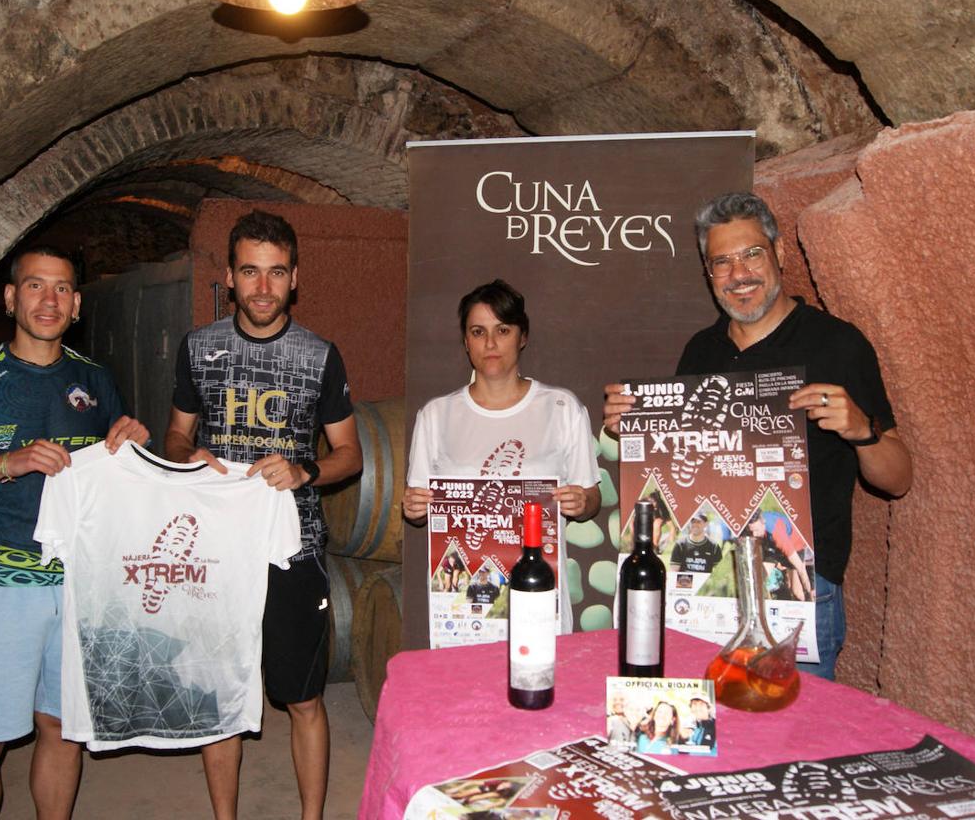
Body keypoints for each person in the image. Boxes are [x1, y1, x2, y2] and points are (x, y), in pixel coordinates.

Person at [604, 192, 912, 680]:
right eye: (721, 262)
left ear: (780, 253)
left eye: (751, 254)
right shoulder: (699, 352)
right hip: (704, 588)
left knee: (791, 745)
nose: (739, 274)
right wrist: (637, 431)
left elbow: (897, 479)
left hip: (798, 590)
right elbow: (682, 473)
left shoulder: (837, 343)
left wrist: (863, 431)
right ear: (708, 276)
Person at [0, 246, 148, 820]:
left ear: (77, 306)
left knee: (62, 730)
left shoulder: (94, 379)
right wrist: (3, 464)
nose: (49, 299)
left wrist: (134, 449)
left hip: (77, 588)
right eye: (36, 287)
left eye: (63, 289)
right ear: (12, 298)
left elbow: (118, 486)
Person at [164, 209, 362, 820]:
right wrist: (190, 456)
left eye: (276, 273)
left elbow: (349, 453)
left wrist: (307, 471)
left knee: (302, 698)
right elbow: (173, 436)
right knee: (220, 692)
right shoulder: (199, 347)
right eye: (250, 272)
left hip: (293, 547)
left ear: (294, 277)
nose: (263, 287)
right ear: (230, 275)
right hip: (216, 550)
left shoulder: (320, 356)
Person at [402, 279, 602, 632]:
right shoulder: (436, 415)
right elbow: (420, 510)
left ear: (522, 336)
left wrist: (581, 501)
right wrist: (415, 508)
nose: (490, 343)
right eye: (478, 331)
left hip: (540, 594)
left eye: (502, 330)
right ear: (466, 341)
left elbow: (592, 498)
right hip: (464, 603)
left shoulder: (562, 407)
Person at [750, 508, 813, 601]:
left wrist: (809, 596)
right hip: (771, 542)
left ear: (763, 522)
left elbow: (801, 569)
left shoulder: (779, 535)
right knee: (760, 576)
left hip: (795, 544)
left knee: (796, 591)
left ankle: (808, 603)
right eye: (751, 530)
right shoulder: (758, 525)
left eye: (756, 530)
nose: (754, 534)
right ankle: (764, 604)